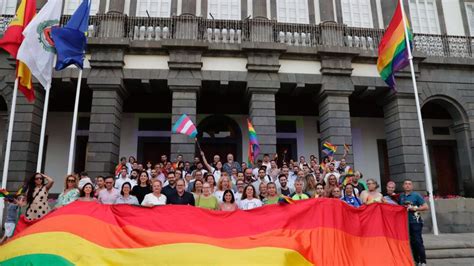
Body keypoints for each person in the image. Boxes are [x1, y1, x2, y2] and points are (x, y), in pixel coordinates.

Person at [399, 179, 428, 266]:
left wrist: (415, 208)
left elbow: (426, 207)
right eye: (406, 184)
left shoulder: (416, 195)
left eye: (409, 184)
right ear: (403, 186)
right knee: (411, 242)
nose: (407, 185)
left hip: (416, 222)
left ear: (412, 186)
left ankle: (423, 261)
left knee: (418, 242)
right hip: (405, 224)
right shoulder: (401, 196)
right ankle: (416, 261)